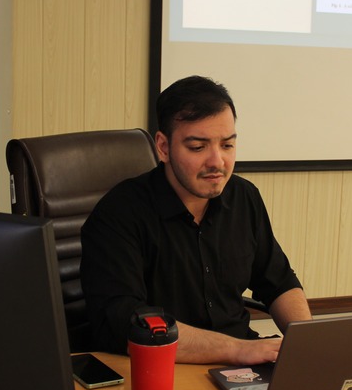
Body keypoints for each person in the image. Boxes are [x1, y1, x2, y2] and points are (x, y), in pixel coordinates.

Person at [81, 75, 312, 365]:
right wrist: (237, 349)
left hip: (241, 365)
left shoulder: (244, 197)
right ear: (163, 147)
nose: (217, 162)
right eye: (198, 147)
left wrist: (308, 341)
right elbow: (125, 320)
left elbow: (279, 282)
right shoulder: (119, 213)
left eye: (227, 145)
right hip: (161, 367)